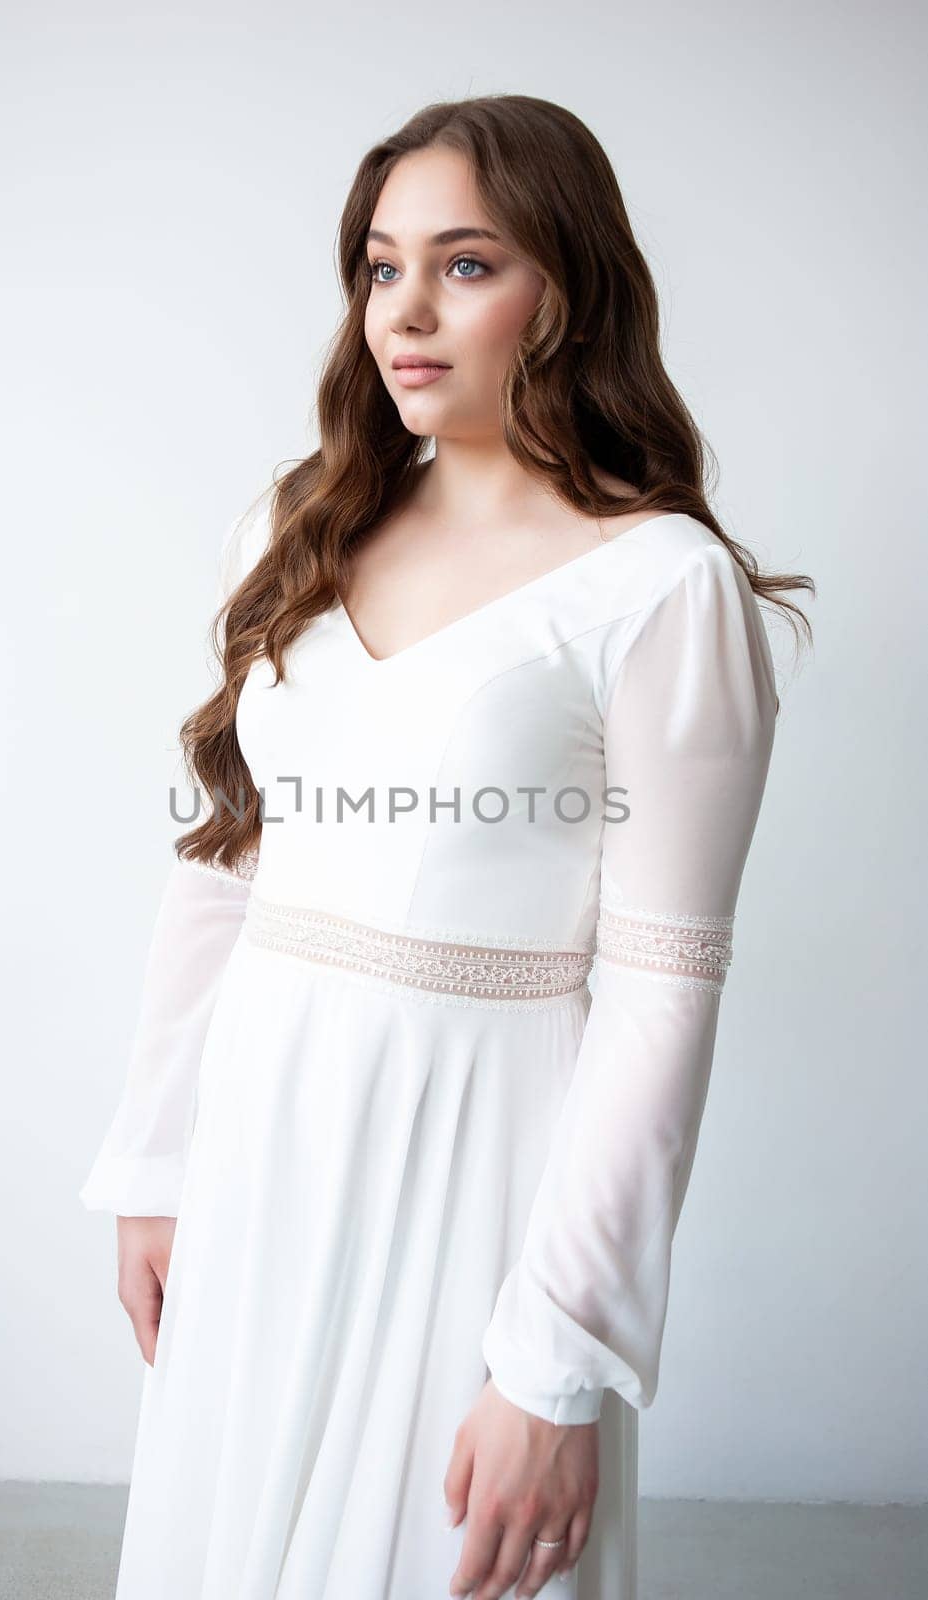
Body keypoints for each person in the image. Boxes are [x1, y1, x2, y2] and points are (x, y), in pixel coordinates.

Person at [79, 94, 814, 1600]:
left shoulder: (662, 591)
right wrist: (156, 1163)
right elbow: (225, 862)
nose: (403, 313)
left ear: (569, 287)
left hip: (476, 1166)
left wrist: (559, 1361)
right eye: (378, 264)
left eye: (466, 266)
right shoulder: (298, 523)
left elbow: (661, 993)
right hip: (260, 1142)